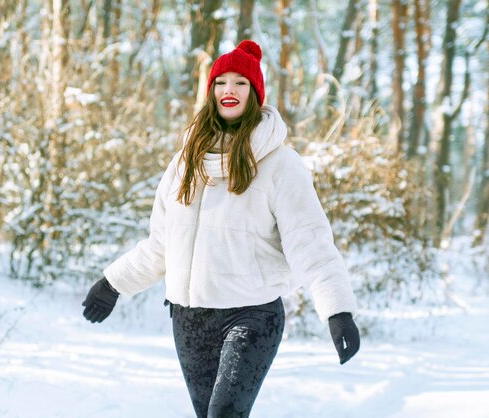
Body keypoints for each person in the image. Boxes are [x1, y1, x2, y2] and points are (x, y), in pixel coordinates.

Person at [81, 40, 360, 418]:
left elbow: (309, 243)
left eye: (241, 83)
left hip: (251, 315)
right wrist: (113, 283)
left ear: (256, 93)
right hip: (190, 317)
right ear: (210, 92)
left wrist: (337, 310)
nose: (229, 90)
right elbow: (162, 246)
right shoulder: (185, 163)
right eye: (221, 82)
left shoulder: (281, 165)